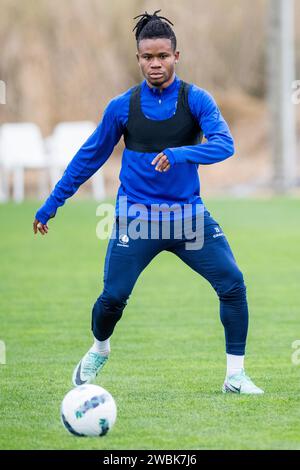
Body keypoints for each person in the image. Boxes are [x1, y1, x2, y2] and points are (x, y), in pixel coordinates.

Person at [33, 10, 263, 394]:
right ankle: (99, 348)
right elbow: (88, 158)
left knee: (233, 284)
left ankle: (235, 377)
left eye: (162, 56)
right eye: (147, 57)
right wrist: (52, 203)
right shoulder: (122, 107)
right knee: (113, 299)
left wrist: (180, 153)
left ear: (176, 56)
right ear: (138, 58)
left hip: (188, 219)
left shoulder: (196, 100)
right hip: (136, 220)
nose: (155, 64)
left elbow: (225, 145)